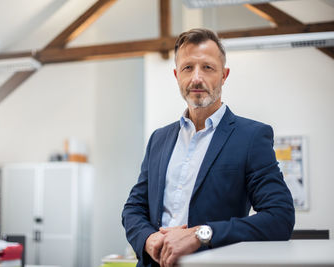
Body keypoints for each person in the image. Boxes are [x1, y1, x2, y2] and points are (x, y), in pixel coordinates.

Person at [121, 28, 295, 267]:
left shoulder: (251, 137)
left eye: (208, 67)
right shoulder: (158, 140)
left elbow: (279, 218)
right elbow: (134, 208)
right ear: (176, 75)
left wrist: (200, 235)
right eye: (188, 68)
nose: (196, 78)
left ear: (224, 75)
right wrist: (148, 239)